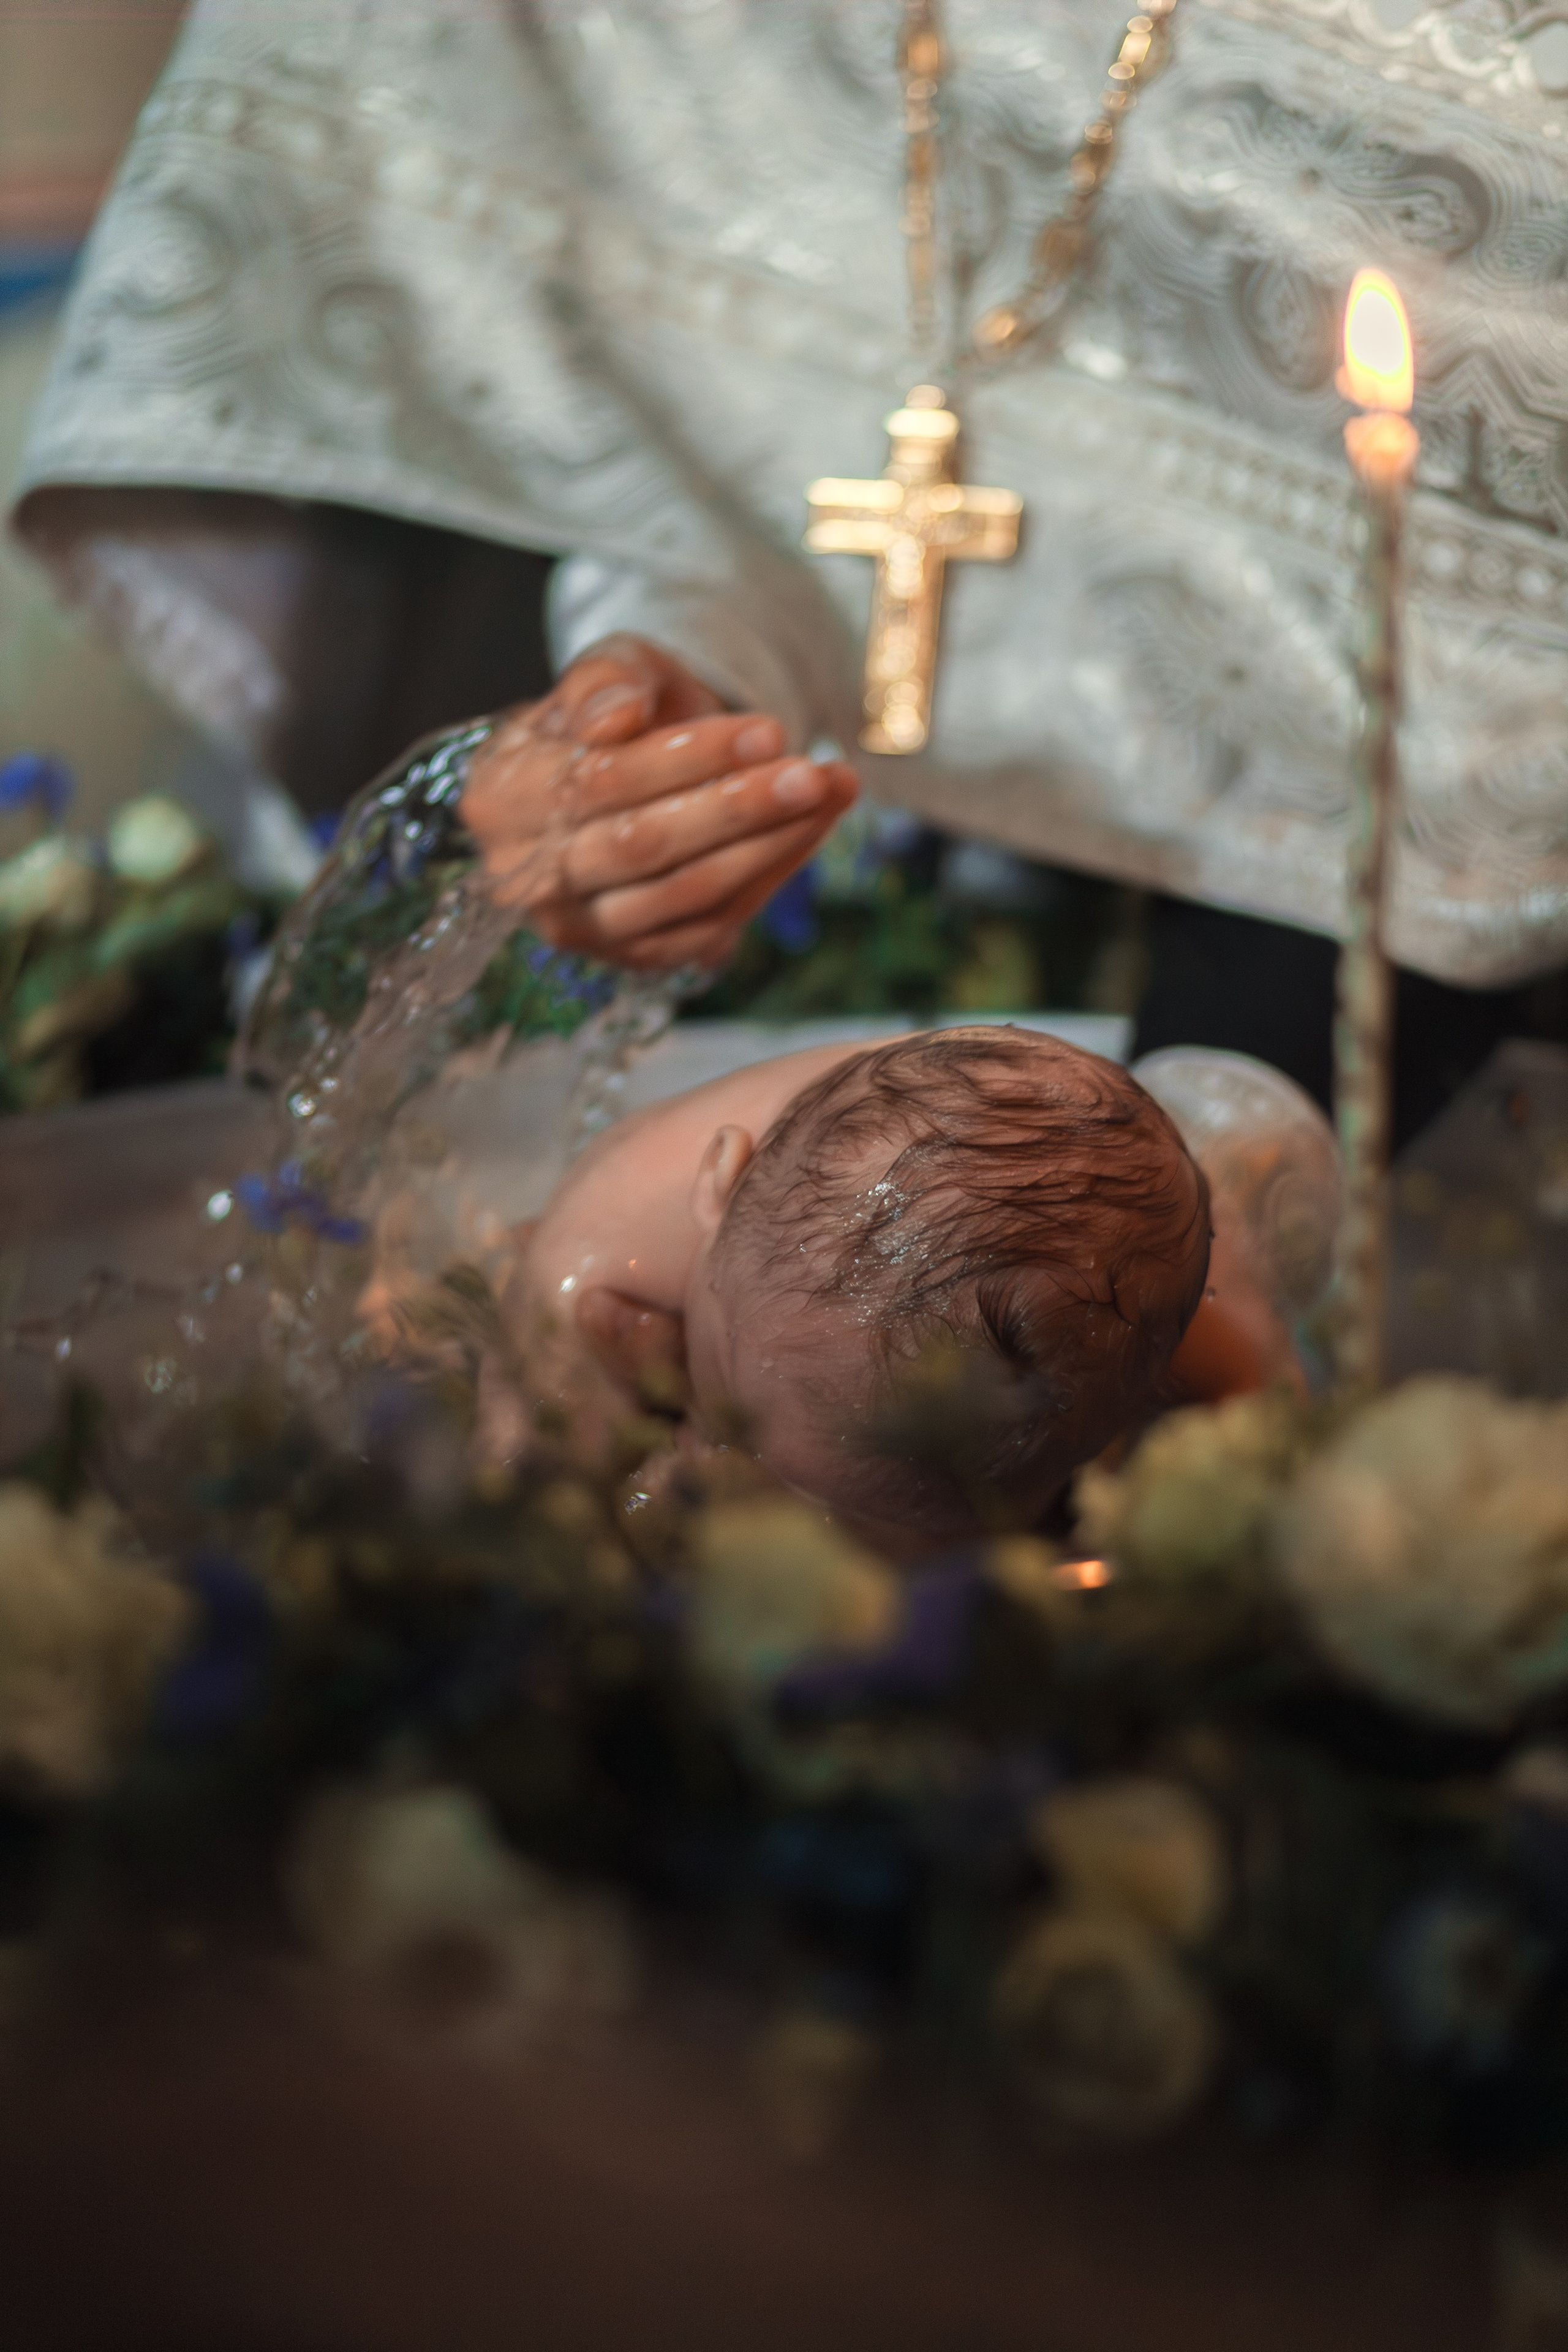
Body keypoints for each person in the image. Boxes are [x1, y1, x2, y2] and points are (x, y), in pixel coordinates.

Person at [12, 1, 1568, 1134]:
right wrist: (640, 702)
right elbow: (607, 385)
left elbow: (1482, 625)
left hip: (1368, 1000)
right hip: (779, 956)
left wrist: (1227, 1162)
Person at [371, 1021, 1327, 1557]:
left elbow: (1270, 1419)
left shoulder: (1173, 1305)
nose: (717, 1439)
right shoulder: (608, 1236)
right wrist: (594, 1477)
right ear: (720, 1185)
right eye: (721, 1407)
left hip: (1135, 1210)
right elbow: (520, 1507)